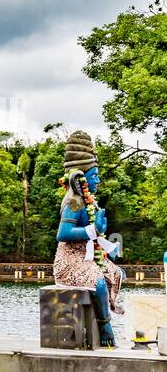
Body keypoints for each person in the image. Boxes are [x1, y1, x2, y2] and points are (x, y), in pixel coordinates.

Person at [53, 130, 123, 347]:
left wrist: (104, 240)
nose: (98, 181)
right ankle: (104, 326)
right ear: (80, 179)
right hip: (70, 260)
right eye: (94, 177)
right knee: (99, 283)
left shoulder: (90, 202)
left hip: (88, 254)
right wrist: (93, 230)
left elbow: (95, 232)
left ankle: (103, 313)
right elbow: (63, 234)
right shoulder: (74, 202)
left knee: (116, 274)